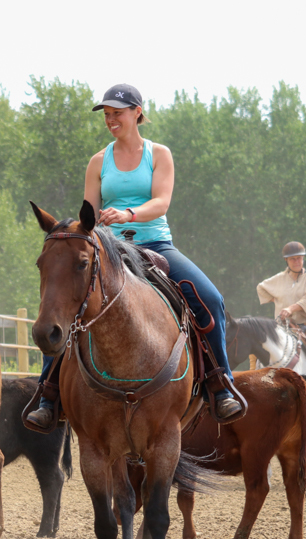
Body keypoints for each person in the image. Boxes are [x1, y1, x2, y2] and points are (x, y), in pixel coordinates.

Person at [27, 83, 243, 430]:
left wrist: (127, 214)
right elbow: (90, 212)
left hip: (156, 245)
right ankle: (47, 394)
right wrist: (92, 225)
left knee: (210, 298)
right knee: (68, 303)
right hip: (111, 250)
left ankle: (221, 385)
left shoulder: (159, 155)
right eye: (107, 115)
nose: (111, 120)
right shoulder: (98, 161)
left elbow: (161, 202)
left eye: (118, 113)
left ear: (137, 113)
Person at [256, 242, 306, 370]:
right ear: (286, 260)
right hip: (282, 326)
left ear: (303, 258)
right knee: (257, 345)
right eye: (292, 258)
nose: (296, 261)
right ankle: (249, 380)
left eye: (299, 258)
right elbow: (260, 287)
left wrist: (290, 308)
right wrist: (277, 300)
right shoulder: (279, 278)